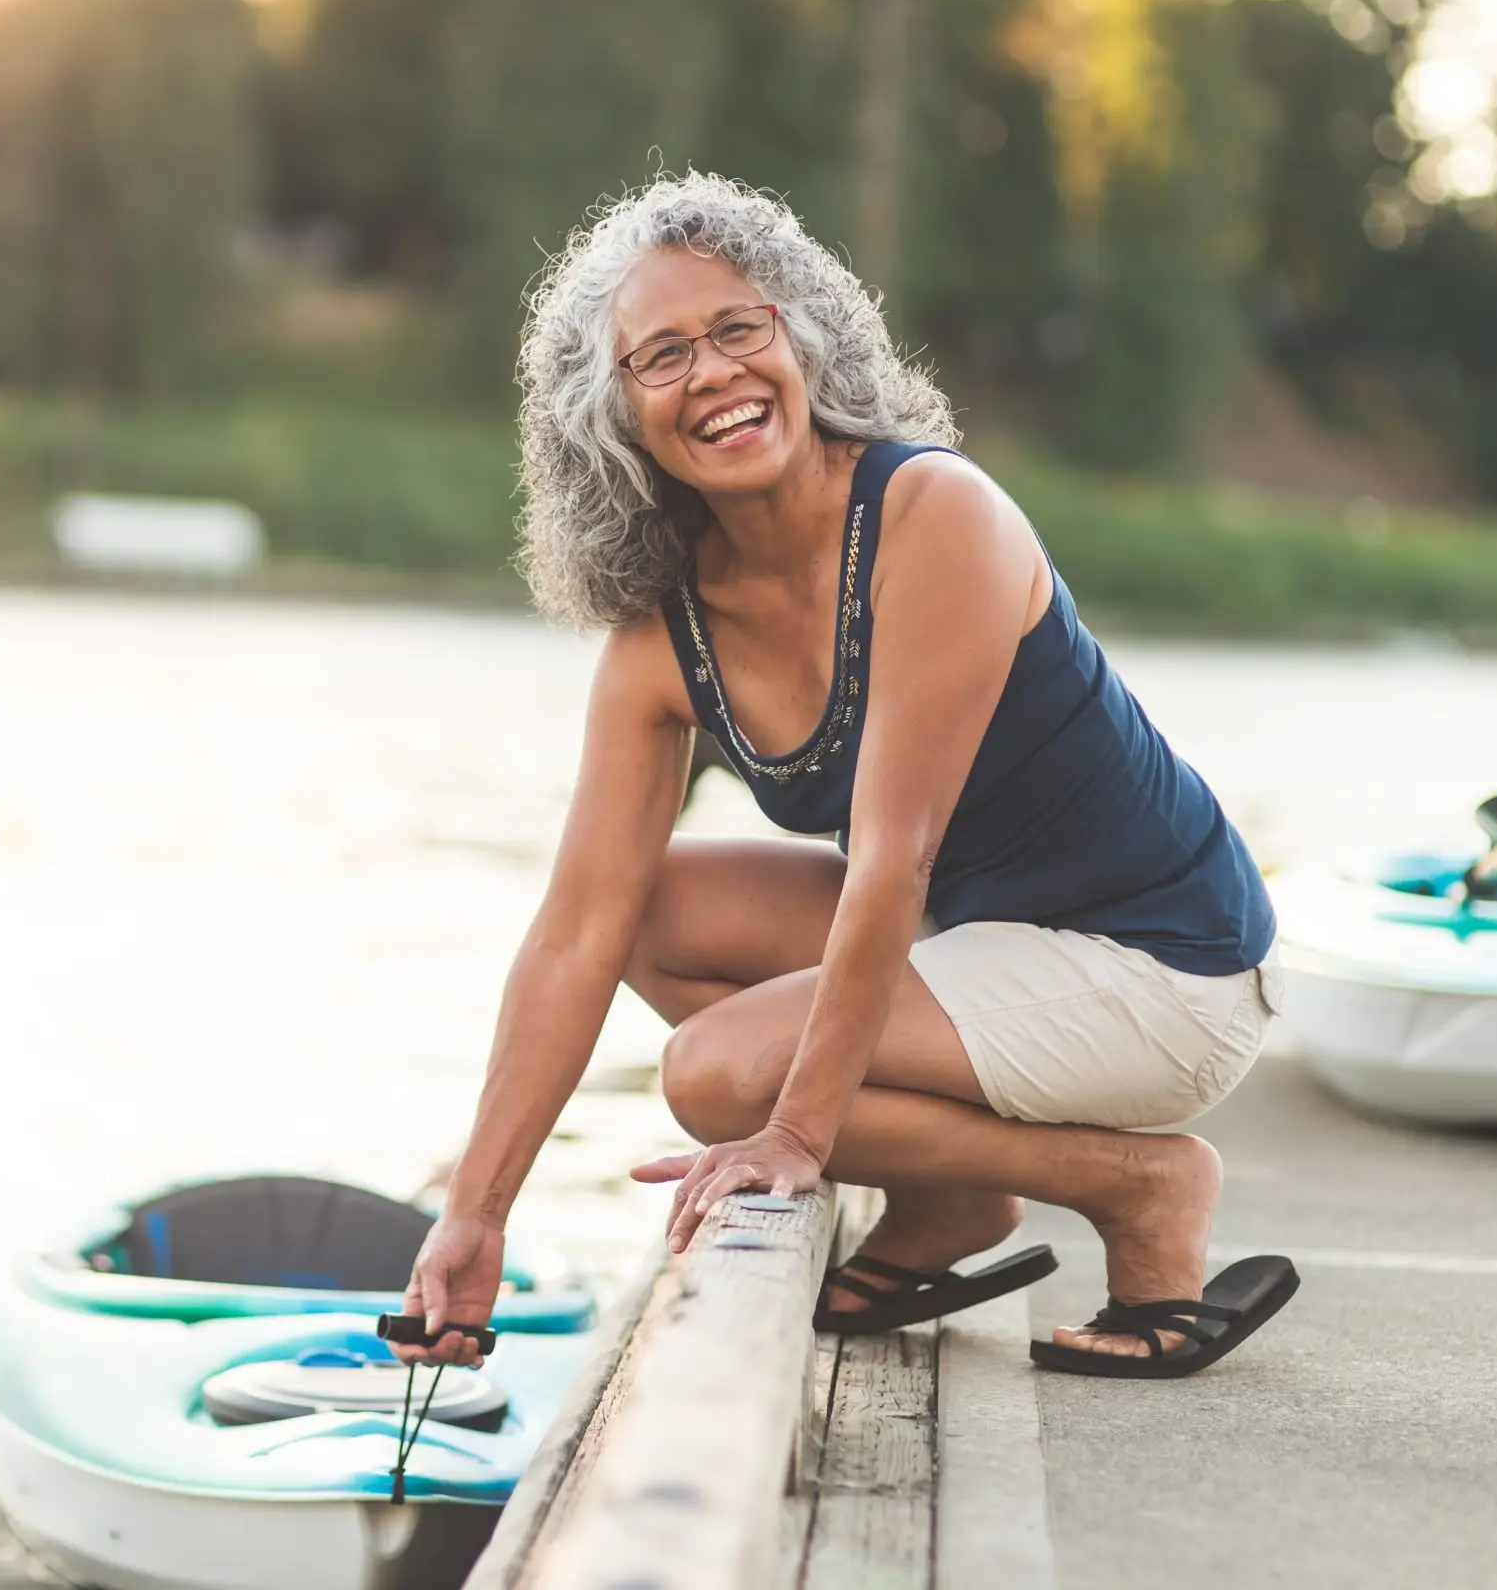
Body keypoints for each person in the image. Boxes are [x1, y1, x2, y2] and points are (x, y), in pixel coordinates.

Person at [389, 173, 1296, 1379]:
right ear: (609, 416)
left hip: (1162, 965)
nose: (711, 373)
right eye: (660, 357)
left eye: (735, 329)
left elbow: (891, 859)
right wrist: (477, 1209)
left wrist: (792, 1135)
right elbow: (577, 931)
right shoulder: (663, 636)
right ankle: (954, 1202)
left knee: (716, 1076)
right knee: (644, 909)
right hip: (980, 935)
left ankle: (1139, 1188)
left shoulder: (934, 514)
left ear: (801, 337)